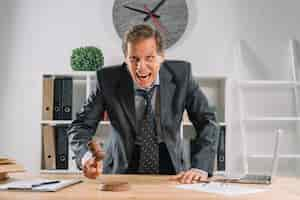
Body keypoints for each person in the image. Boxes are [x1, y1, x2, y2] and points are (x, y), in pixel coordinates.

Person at [68, 24, 219, 184]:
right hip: (122, 165)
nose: (141, 67)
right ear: (126, 59)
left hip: (170, 163)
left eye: (149, 58)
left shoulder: (182, 74)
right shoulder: (107, 79)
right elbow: (81, 126)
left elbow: (207, 122)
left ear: (161, 57)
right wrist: (85, 158)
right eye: (134, 59)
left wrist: (200, 167)